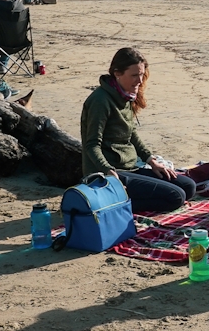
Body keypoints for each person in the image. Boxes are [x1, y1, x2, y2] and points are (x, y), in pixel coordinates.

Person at [80, 47, 197, 213]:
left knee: (188, 187)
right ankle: (108, 204)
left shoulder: (125, 94)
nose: (140, 81)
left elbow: (131, 133)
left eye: (141, 74)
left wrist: (151, 160)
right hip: (110, 173)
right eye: (134, 75)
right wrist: (108, 171)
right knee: (176, 197)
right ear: (117, 73)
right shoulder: (100, 101)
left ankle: (120, 198)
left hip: (130, 167)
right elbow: (91, 145)